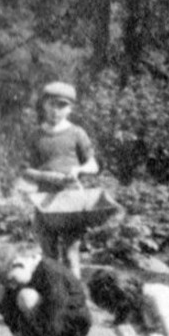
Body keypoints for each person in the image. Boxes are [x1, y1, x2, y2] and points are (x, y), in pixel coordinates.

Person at [20, 81, 100, 278]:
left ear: (70, 108)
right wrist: (45, 176)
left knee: (71, 254)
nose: (56, 110)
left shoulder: (76, 133)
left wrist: (78, 170)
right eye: (51, 104)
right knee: (48, 255)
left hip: (70, 200)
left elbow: (94, 165)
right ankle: (53, 300)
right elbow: (24, 170)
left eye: (62, 105)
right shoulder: (36, 135)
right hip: (44, 201)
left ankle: (74, 301)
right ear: (44, 105)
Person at [0, 254, 94, 336]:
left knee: (27, 297)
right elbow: (8, 304)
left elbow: (56, 312)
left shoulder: (51, 274)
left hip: (73, 322)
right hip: (51, 314)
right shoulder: (19, 268)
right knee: (17, 296)